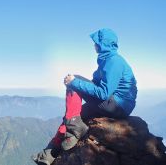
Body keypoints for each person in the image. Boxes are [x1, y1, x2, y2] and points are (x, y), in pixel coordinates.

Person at [32, 28, 138, 165]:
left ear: (102, 44)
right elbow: (97, 85)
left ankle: (73, 128)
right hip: (112, 103)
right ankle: (49, 153)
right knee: (73, 114)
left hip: (117, 105)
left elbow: (103, 92)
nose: (94, 45)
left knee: (74, 83)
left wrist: (74, 82)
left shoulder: (114, 61)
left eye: (96, 42)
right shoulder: (106, 60)